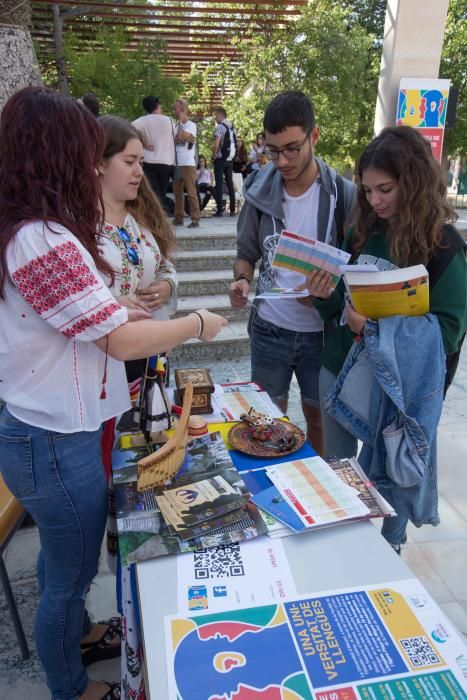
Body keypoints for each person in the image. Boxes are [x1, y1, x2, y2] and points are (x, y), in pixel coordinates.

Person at [0, 86, 226, 700]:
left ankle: (76, 634)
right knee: (67, 579)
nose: (90, 163)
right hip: (53, 438)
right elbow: (121, 342)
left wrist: (118, 306)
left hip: (53, 430)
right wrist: (196, 324)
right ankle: (70, 686)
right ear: (54, 154)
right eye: (81, 150)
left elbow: (80, 317)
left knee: (61, 561)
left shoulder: (37, 232)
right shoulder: (43, 238)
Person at [304, 125, 467, 552]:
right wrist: (323, 296)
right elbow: (338, 305)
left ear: (412, 184)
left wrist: (372, 328)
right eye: (368, 190)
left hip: (397, 395)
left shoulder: (443, 245)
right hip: (340, 371)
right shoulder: (362, 229)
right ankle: (343, 551)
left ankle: (386, 554)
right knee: (341, 480)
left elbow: (448, 333)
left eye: (385, 189)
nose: (374, 201)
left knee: (391, 482)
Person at [229, 91, 355, 454]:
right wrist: (241, 279)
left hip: (323, 334)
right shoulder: (258, 189)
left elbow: (358, 266)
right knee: (267, 422)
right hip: (271, 328)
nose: (281, 160)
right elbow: (246, 252)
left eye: (291, 149)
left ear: (314, 136)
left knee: (320, 419)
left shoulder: (342, 195)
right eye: (272, 150)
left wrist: (328, 290)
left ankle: (322, 486)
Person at [132, 96, 175, 211]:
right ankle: (160, 217)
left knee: (152, 193)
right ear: (158, 105)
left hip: (148, 161)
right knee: (161, 193)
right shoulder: (169, 120)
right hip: (166, 162)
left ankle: (153, 218)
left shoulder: (141, 121)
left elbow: (129, 129)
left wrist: (144, 142)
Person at [172, 98, 200, 229]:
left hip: (188, 163)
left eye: (176, 108)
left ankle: (195, 218)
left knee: (191, 192)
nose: (174, 110)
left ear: (182, 109)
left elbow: (183, 137)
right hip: (176, 162)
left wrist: (182, 136)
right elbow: (177, 139)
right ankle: (179, 217)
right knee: (177, 192)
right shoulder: (175, 125)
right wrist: (182, 137)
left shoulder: (191, 125)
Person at [211, 107, 236, 217]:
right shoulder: (232, 127)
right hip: (230, 160)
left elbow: (217, 144)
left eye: (216, 115)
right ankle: (232, 210)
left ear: (221, 115)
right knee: (230, 183)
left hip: (221, 159)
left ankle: (220, 210)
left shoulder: (220, 127)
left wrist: (213, 156)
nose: (215, 118)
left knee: (219, 183)